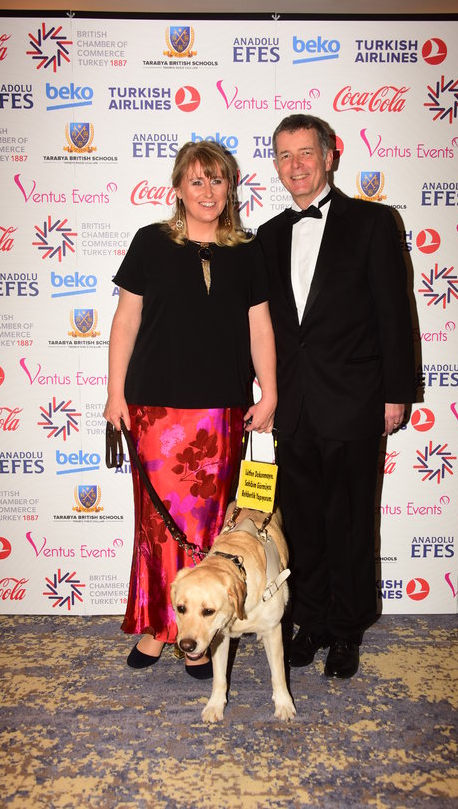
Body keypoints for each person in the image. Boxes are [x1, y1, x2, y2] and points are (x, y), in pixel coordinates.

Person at [104, 140, 276, 677]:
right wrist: (114, 393)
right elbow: (126, 321)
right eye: (196, 180)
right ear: (178, 188)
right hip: (154, 410)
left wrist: (269, 392)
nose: (207, 190)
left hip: (220, 411)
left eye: (217, 180)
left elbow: (260, 327)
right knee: (157, 528)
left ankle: (203, 632)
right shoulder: (150, 242)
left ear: (230, 188)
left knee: (208, 528)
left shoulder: (248, 250)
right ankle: (159, 628)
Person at [257, 114, 415, 679]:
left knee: (349, 523)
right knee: (301, 524)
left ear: (329, 157)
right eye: (284, 155)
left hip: (354, 399)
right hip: (293, 404)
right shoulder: (267, 235)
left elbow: (394, 312)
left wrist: (396, 393)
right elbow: (262, 325)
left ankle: (348, 629)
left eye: (305, 153)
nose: (295, 165)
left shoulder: (372, 222)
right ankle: (313, 620)